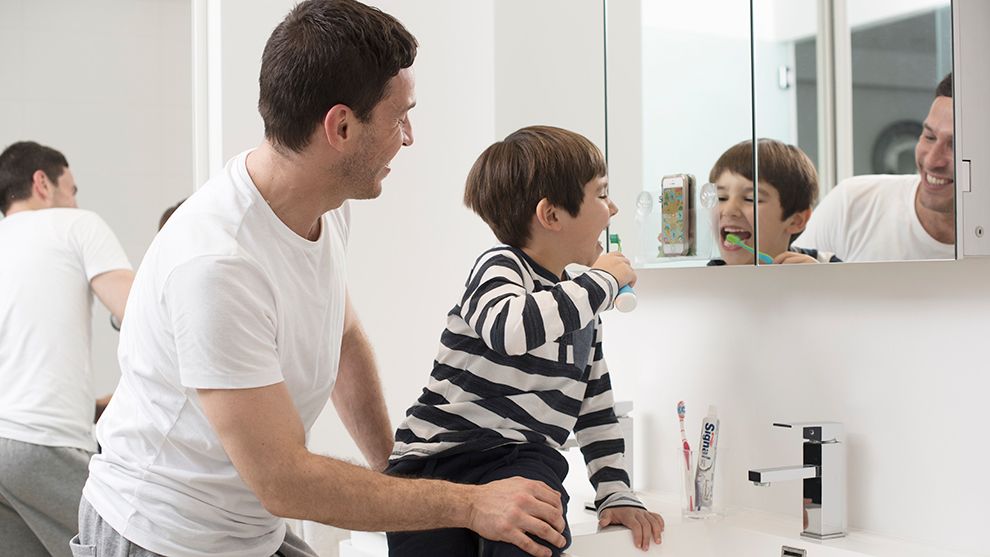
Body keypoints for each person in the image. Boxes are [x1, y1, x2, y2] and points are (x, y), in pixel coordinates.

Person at [77, 2, 567, 557]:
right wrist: (469, 503)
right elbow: (284, 480)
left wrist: (397, 470)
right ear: (340, 127)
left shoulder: (325, 205)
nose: (409, 136)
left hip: (248, 525)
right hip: (160, 535)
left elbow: (344, 338)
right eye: (399, 116)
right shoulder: (217, 264)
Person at [385, 125, 665, 557]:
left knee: (535, 536)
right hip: (437, 458)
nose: (613, 209)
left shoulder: (580, 305)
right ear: (552, 216)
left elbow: (595, 410)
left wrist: (616, 491)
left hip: (522, 457)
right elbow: (510, 330)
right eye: (601, 194)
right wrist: (604, 280)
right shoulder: (500, 267)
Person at [0, 141, 133, 557]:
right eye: (71, 189)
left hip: (9, 438)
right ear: (42, 182)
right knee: (123, 546)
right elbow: (142, 315)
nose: (75, 202)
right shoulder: (75, 225)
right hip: (41, 440)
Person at [792, 73, 954, 261]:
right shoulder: (852, 204)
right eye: (929, 136)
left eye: (956, 145)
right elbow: (787, 284)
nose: (932, 161)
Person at [707, 138, 840, 266]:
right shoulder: (704, 281)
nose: (729, 210)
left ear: (796, 220)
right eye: (721, 198)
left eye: (750, 199)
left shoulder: (829, 268)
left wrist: (822, 280)